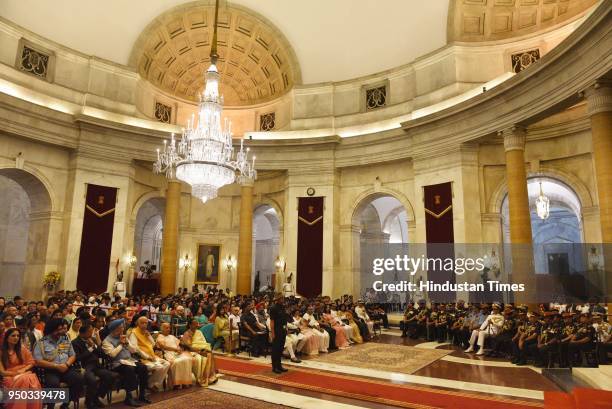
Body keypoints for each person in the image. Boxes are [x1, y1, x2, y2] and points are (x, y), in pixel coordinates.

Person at [33, 318, 85, 408]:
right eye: (58, 329)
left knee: (79, 379)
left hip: (66, 367)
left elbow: (72, 355)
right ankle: (50, 406)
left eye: (62, 329)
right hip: (51, 370)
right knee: (53, 384)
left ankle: (65, 404)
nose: (61, 331)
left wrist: (67, 364)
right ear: (51, 329)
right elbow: (37, 361)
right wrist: (56, 366)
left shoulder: (65, 339)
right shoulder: (41, 343)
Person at [101, 319, 149, 406]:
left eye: (122, 328)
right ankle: (129, 397)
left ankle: (142, 394)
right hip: (116, 364)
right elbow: (112, 354)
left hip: (129, 361)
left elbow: (133, 351)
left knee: (143, 367)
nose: (122, 330)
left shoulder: (124, 337)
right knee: (129, 369)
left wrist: (127, 344)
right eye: (120, 328)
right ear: (114, 329)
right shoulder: (106, 341)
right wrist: (121, 345)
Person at [72, 324, 118, 409]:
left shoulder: (92, 339)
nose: (91, 333)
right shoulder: (75, 342)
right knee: (92, 380)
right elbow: (78, 358)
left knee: (111, 376)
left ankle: (95, 397)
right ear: (82, 333)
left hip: (96, 365)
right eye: (89, 332)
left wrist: (95, 345)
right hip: (85, 367)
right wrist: (91, 349)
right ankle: (89, 402)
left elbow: (102, 354)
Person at [0, 327, 42, 409]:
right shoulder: (1, 352)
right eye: (13, 336)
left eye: (18, 336)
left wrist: (23, 370)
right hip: (9, 376)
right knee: (27, 378)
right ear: (7, 338)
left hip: (24, 372)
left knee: (30, 378)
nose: (16, 338)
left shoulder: (22, 348)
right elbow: (2, 372)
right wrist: (18, 374)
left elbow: (31, 362)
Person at [128, 316, 170, 391]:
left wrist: (149, 336)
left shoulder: (146, 332)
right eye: (142, 323)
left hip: (152, 356)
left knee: (167, 364)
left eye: (146, 323)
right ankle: (149, 384)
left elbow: (153, 344)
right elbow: (135, 349)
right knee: (159, 367)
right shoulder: (133, 333)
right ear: (138, 323)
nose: (144, 325)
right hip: (142, 358)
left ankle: (151, 384)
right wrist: (147, 357)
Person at [181, 319, 218, 386]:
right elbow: (188, 347)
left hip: (201, 349)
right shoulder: (187, 333)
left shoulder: (199, 332)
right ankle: (204, 378)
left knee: (210, 354)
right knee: (207, 355)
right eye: (195, 324)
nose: (197, 325)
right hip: (192, 351)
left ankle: (210, 377)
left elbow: (203, 342)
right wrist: (199, 351)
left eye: (197, 324)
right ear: (190, 325)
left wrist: (204, 348)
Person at [156, 322, 193, 388]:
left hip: (176, 353)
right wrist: (175, 349)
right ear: (162, 329)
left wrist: (179, 349)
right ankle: (176, 384)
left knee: (187, 359)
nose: (168, 329)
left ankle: (184, 382)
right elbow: (163, 346)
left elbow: (179, 344)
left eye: (169, 328)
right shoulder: (160, 336)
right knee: (178, 362)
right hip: (167, 354)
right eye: (166, 328)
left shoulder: (171, 336)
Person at [269, 294, 288, 374]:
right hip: (276, 330)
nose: (283, 299)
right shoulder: (273, 308)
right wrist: (273, 333)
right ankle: (274, 367)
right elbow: (272, 321)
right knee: (275, 349)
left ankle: (279, 365)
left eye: (283, 298)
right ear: (278, 299)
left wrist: (286, 327)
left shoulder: (282, 307)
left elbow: (284, 318)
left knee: (280, 348)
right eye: (281, 298)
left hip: (283, 330)